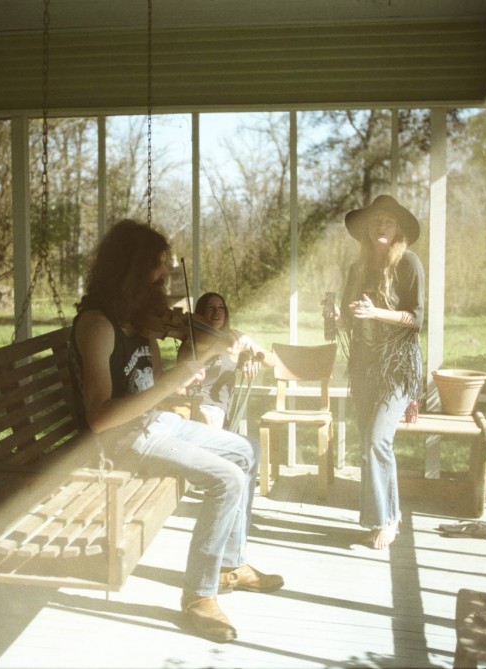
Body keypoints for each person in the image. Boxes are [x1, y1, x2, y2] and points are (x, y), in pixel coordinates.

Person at [71, 219, 284, 643]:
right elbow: (100, 418)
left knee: (246, 450)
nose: (165, 279)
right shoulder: (98, 325)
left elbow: (150, 382)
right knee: (228, 478)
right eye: (158, 271)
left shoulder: (137, 320)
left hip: (153, 423)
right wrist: (173, 381)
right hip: (123, 439)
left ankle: (230, 563)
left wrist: (199, 356)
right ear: (131, 269)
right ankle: (198, 594)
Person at [337, 195, 424, 550]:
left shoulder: (408, 263)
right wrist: (338, 317)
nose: (381, 226)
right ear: (367, 230)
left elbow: (416, 319)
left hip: (399, 366)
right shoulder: (357, 269)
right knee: (369, 444)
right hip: (364, 366)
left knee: (377, 440)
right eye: (375, 220)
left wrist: (377, 314)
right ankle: (386, 516)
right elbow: (349, 318)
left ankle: (387, 520)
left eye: (388, 220)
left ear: (398, 228)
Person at [175, 291, 274, 430]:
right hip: (185, 404)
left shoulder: (233, 341)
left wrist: (252, 352)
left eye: (221, 307)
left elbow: (272, 361)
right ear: (201, 313)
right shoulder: (190, 342)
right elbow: (179, 381)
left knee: (200, 424)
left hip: (211, 408)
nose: (217, 311)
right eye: (210, 307)